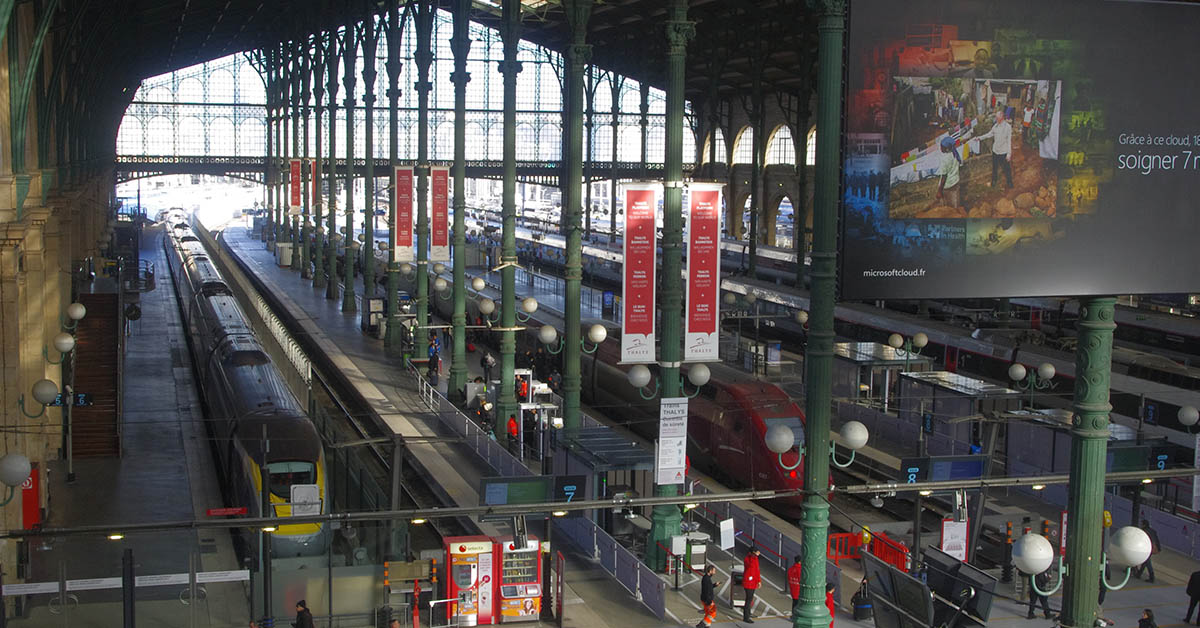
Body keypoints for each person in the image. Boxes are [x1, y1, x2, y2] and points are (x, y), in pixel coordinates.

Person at [975, 110, 1014, 189]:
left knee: (1007, 168)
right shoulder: (995, 126)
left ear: (1002, 118)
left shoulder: (1007, 127)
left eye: (997, 118)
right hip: (995, 151)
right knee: (994, 168)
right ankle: (994, 181)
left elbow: (1009, 141)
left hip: (1003, 152)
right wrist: (979, 138)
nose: (996, 119)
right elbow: (989, 134)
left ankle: (1009, 182)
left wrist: (1009, 154)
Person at [933, 136, 963, 210]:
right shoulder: (955, 153)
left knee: (950, 207)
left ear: (947, 148)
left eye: (942, 147)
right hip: (956, 181)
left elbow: (944, 177)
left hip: (948, 185)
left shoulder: (945, 159)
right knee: (956, 201)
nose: (940, 148)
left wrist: (939, 191)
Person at [1134, 518, 1159, 582]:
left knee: (1147, 562)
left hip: (1147, 548)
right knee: (1145, 561)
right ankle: (1139, 574)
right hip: (1152, 548)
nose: (1140, 525)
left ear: (1144, 525)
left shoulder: (1144, 531)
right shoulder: (1152, 530)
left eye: (1141, 524)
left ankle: (1152, 577)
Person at [742, 547, 761, 623]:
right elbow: (751, 566)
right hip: (748, 582)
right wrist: (754, 556)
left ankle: (748, 613)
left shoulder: (754, 559)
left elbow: (757, 570)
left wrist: (758, 581)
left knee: (750, 599)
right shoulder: (748, 559)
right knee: (748, 600)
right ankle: (746, 616)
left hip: (753, 582)